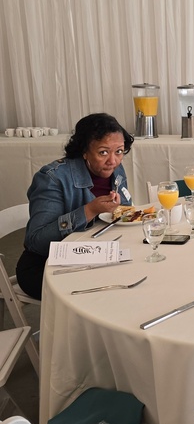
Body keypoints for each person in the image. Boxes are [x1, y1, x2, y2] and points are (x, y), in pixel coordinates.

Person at [16, 113, 134, 299]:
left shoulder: (115, 170)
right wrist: (89, 210)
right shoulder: (52, 178)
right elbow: (36, 242)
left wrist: (120, 209)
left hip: (95, 255)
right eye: (103, 152)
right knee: (109, 293)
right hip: (45, 266)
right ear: (84, 151)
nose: (113, 161)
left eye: (119, 151)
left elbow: (124, 212)